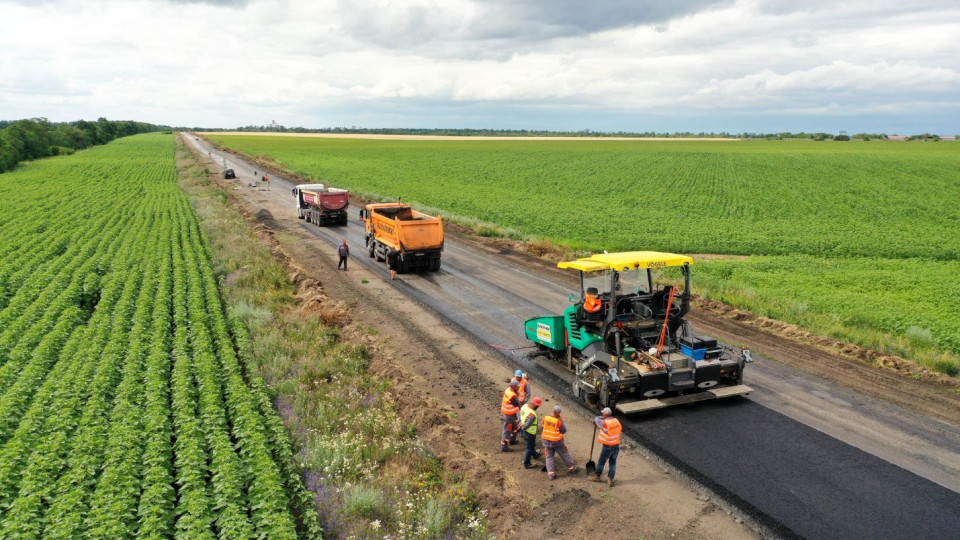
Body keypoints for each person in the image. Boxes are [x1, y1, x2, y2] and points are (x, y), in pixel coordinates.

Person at [541, 405, 577, 480]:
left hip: (547, 441)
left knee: (549, 457)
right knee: (564, 454)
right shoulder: (558, 421)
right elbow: (563, 430)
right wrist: (561, 421)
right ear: (558, 413)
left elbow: (542, 426)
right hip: (557, 442)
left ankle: (551, 474)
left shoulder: (546, 418)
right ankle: (572, 468)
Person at [593, 407, 622, 486]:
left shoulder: (604, 422)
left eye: (603, 413)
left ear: (605, 415)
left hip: (607, 447)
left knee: (601, 462)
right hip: (616, 446)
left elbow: (596, 419)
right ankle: (610, 480)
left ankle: (597, 476)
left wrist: (601, 422)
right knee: (612, 463)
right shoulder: (616, 421)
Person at [517, 397, 542, 469]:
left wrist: (520, 422)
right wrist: (523, 427)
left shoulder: (524, 406)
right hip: (529, 433)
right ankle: (527, 463)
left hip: (523, 431)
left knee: (531, 444)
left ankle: (534, 454)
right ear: (535, 405)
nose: (538, 407)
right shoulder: (532, 414)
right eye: (538, 406)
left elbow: (519, 413)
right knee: (529, 447)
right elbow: (527, 425)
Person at [500, 380, 521, 452]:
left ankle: (512, 440)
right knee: (508, 429)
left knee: (515, 427)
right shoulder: (512, 395)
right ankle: (504, 446)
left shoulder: (508, 390)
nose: (518, 388)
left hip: (510, 413)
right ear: (514, 386)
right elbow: (517, 403)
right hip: (509, 415)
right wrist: (518, 395)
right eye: (517, 387)